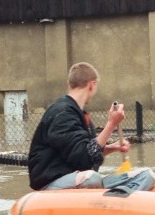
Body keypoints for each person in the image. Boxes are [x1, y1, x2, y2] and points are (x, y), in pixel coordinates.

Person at [27, 62, 131, 190]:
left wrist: (112, 148)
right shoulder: (62, 113)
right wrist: (111, 125)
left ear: (69, 84)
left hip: (77, 178)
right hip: (52, 182)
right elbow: (85, 158)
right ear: (92, 85)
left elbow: (81, 152)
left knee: (145, 176)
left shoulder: (79, 114)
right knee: (92, 178)